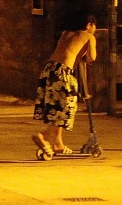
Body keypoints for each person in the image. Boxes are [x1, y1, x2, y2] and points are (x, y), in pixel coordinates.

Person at [32, 8, 97, 156]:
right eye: (94, 26)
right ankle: (44, 135)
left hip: (50, 69)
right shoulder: (88, 36)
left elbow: (67, 50)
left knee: (58, 106)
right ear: (89, 25)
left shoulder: (66, 33)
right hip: (63, 71)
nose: (95, 30)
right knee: (67, 106)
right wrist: (85, 56)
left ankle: (58, 143)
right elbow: (91, 58)